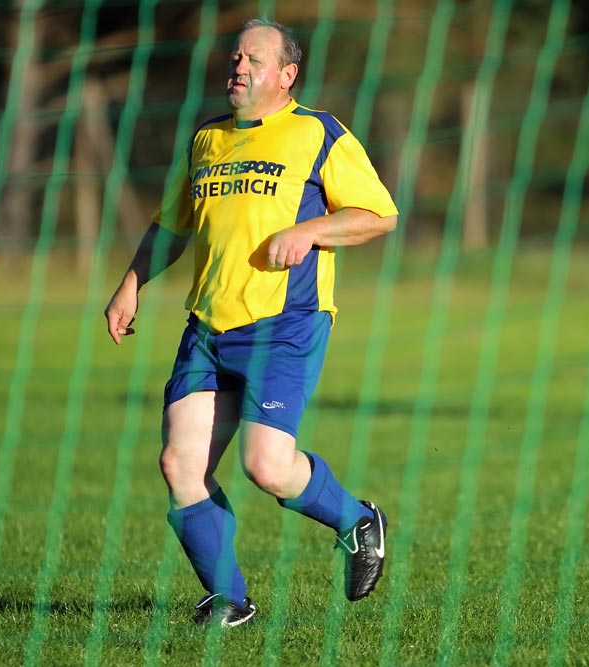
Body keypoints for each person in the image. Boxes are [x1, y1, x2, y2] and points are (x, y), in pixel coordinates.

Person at [105, 18, 398, 627]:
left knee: (266, 466)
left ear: (287, 75)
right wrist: (131, 283)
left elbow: (378, 215)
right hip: (208, 328)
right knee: (179, 466)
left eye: (253, 60)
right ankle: (230, 599)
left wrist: (310, 231)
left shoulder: (319, 133)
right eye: (235, 57)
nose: (238, 67)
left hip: (284, 325)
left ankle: (357, 521)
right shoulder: (207, 139)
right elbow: (172, 226)